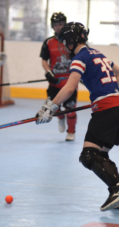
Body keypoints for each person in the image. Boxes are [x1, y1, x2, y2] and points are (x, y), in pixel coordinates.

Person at [36, 22, 119, 211]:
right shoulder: (98, 54)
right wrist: (108, 91)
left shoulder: (79, 58)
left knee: (88, 155)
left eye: (65, 42)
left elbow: (70, 87)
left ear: (72, 40)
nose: (64, 46)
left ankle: (118, 189)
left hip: (107, 111)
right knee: (100, 154)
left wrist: (50, 107)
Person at [40, 12, 77, 141]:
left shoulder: (72, 41)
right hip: (54, 82)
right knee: (53, 107)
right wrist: (49, 73)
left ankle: (71, 132)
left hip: (70, 82)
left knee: (71, 109)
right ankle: (60, 118)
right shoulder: (48, 42)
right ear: (52, 26)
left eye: (61, 24)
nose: (58, 27)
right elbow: (44, 60)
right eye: (56, 24)